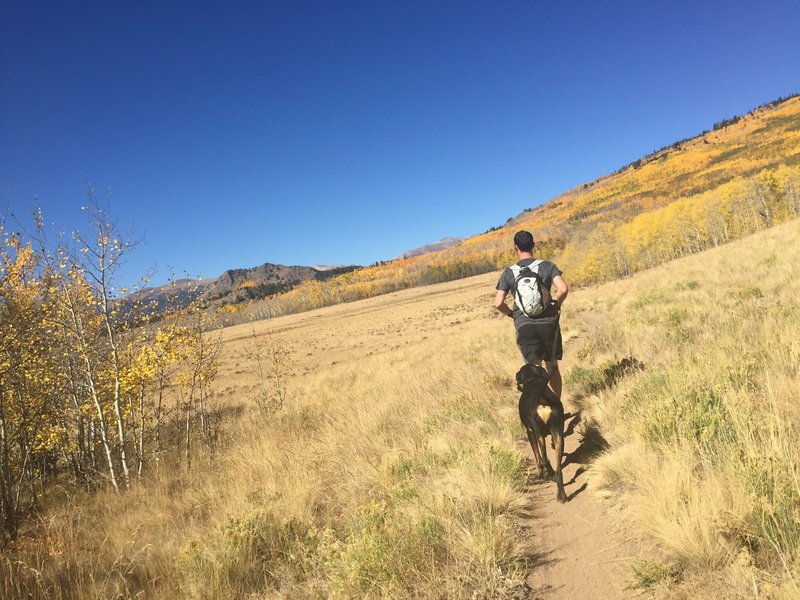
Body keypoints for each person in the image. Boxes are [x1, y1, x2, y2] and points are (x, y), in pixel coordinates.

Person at [494, 230, 569, 397]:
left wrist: (512, 315)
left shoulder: (508, 272)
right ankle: (556, 404)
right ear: (533, 245)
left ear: (515, 247)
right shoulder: (547, 266)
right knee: (552, 367)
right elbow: (563, 289)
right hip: (548, 323)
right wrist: (555, 305)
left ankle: (540, 407)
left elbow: (498, 303)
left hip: (525, 326)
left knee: (534, 371)